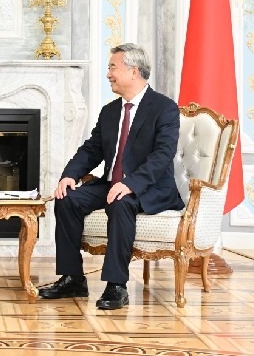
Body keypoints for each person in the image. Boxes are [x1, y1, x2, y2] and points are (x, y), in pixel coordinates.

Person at [40, 43, 183, 310]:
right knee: (67, 198)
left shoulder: (164, 108)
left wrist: (130, 184)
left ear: (133, 71)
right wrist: (69, 175)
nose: (108, 74)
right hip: (111, 183)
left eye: (112, 68)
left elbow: (163, 155)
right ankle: (73, 279)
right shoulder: (110, 111)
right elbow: (92, 149)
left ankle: (116, 286)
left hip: (149, 187)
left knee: (120, 201)